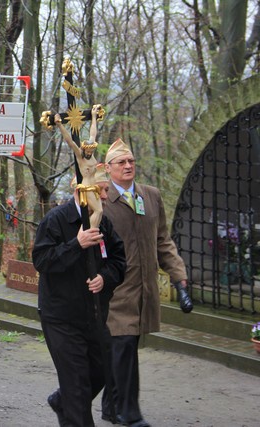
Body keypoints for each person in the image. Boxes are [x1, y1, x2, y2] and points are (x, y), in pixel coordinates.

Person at [100, 139, 193, 427]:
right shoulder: (100, 200)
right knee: (124, 344)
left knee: (125, 346)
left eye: (131, 161)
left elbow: (162, 241)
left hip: (145, 288)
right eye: (121, 162)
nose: (128, 166)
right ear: (108, 168)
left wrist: (178, 275)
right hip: (116, 289)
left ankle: (110, 406)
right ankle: (130, 412)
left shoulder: (150, 196)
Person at [33, 166, 126, 426]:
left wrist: (104, 278)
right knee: (77, 386)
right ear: (83, 192)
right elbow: (42, 260)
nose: (107, 196)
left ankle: (62, 401)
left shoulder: (103, 222)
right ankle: (71, 406)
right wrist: (77, 244)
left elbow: (118, 260)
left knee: (102, 372)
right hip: (61, 317)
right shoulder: (55, 220)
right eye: (102, 190)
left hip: (94, 316)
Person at [54, 104, 102, 228]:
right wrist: (59, 125)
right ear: (84, 149)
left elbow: (93, 133)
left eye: (91, 151)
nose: (90, 153)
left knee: (95, 212)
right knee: (98, 211)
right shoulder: (80, 156)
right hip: (86, 187)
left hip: (94, 186)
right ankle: (90, 233)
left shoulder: (91, 154)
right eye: (88, 151)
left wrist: (93, 116)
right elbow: (69, 141)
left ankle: (90, 232)